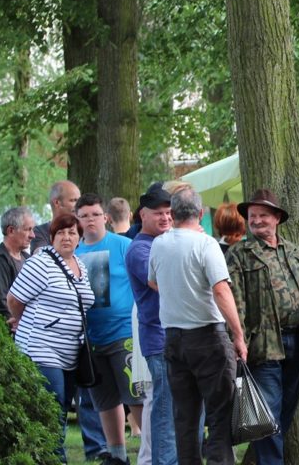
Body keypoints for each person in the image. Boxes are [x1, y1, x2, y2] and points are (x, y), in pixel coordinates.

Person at [149, 185, 247, 464]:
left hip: (174, 339)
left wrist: (177, 293)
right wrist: (238, 335)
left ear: (173, 213)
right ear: (201, 213)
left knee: (185, 417)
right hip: (208, 337)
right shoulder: (207, 245)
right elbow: (220, 290)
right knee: (219, 413)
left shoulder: (159, 244)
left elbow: (152, 281)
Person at [225, 188, 299, 465]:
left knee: (285, 411)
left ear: (277, 218)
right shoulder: (239, 254)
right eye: (252, 216)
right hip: (263, 344)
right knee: (267, 412)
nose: (256, 221)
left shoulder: (295, 252)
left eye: (263, 215)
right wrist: (238, 337)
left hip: (298, 341)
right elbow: (235, 300)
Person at [5, 213, 95, 463]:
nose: (67, 237)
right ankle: (55, 459)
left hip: (70, 353)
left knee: (62, 410)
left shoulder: (81, 265)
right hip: (40, 348)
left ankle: (44, 456)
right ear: (52, 237)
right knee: (52, 410)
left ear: (80, 237)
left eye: (72, 232)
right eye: (61, 233)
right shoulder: (40, 263)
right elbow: (13, 300)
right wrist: (26, 321)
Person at [75, 193, 141, 464]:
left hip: (123, 334)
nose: (90, 220)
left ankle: (150, 451)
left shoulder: (124, 246)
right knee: (105, 401)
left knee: (135, 396)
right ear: (78, 220)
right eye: (84, 215)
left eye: (95, 214)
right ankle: (117, 456)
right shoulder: (74, 252)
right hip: (91, 340)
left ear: (106, 217)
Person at [125, 182, 176, 465]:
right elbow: (161, 283)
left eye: (169, 212)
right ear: (142, 214)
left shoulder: (168, 242)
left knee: (181, 413)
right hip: (159, 342)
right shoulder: (139, 249)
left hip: (180, 338)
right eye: (159, 213)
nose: (166, 218)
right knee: (165, 413)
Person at [0, 206, 35, 319]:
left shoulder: (28, 259)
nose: (32, 235)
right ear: (11, 231)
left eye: (32, 229)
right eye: (27, 229)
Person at [33, 180, 83, 250]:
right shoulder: (40, 232)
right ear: (57, 203)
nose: (79, 205)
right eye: (73, 200)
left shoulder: (84, 229)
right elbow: (41, 256)